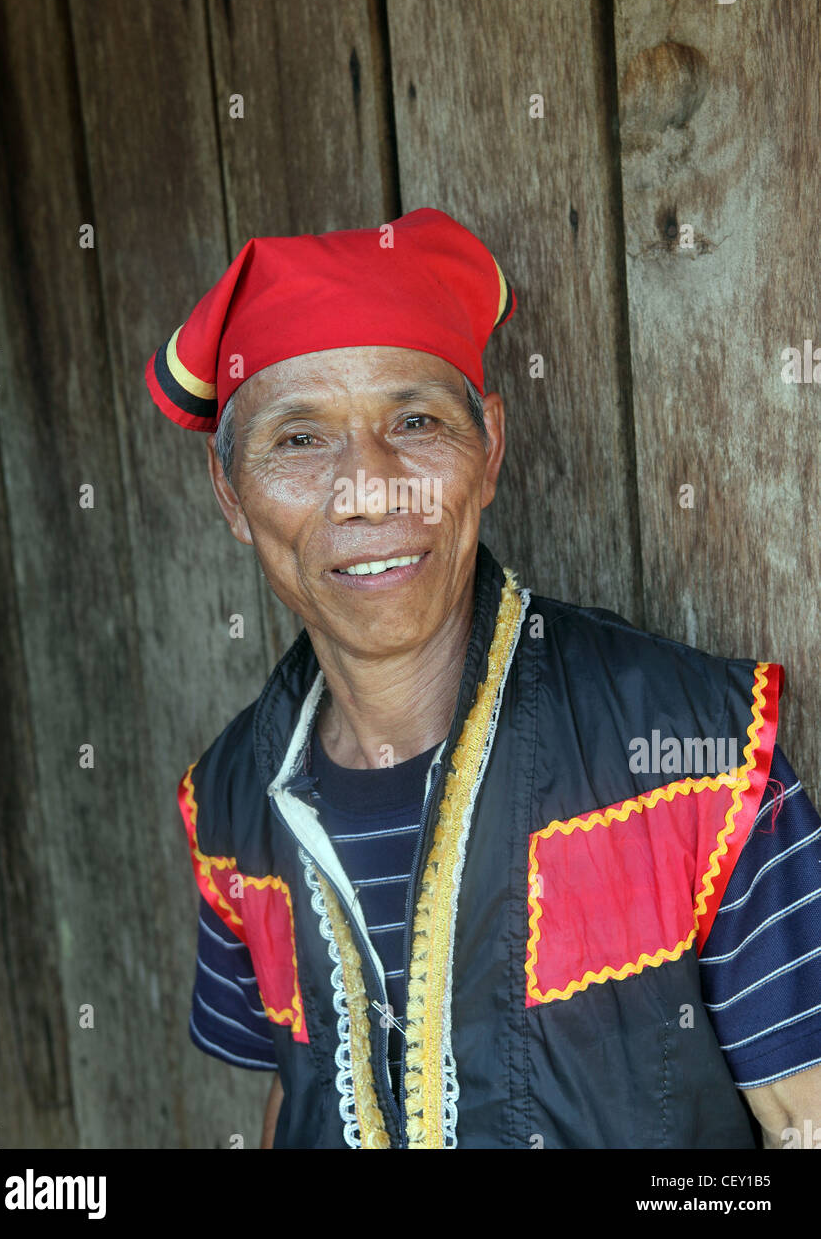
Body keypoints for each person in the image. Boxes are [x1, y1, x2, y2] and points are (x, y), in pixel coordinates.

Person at [146, 207, 821, 1149]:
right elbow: (295, 1098)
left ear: (490, 449)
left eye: (414, 422)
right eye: (299, 441)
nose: (371, 489)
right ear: (230, 495)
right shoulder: (227, 809)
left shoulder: (699, 757)